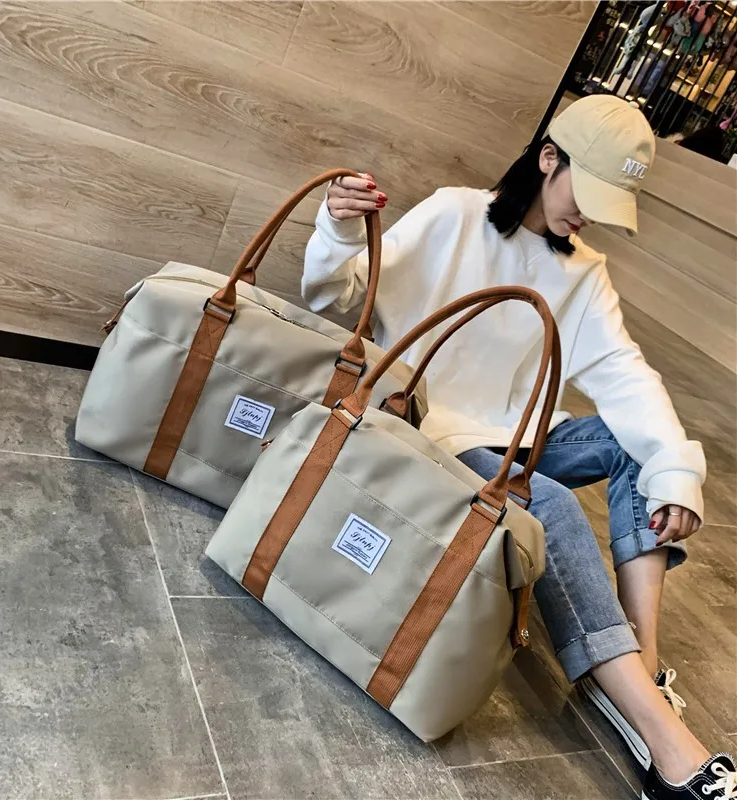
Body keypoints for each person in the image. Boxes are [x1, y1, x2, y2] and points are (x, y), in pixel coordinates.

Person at [302, 95, 735, 800]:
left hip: (517, 433)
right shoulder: (453, 214)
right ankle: (664, 740)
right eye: (586, 193)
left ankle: (637, 673)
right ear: (547, 160)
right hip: (432, 428)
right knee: (551, 508)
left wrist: (673, 467)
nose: (590, 217)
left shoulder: (584, 271)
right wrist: (340, 226)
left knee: (642, 451)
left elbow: (626, 374)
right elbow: (335, 296)